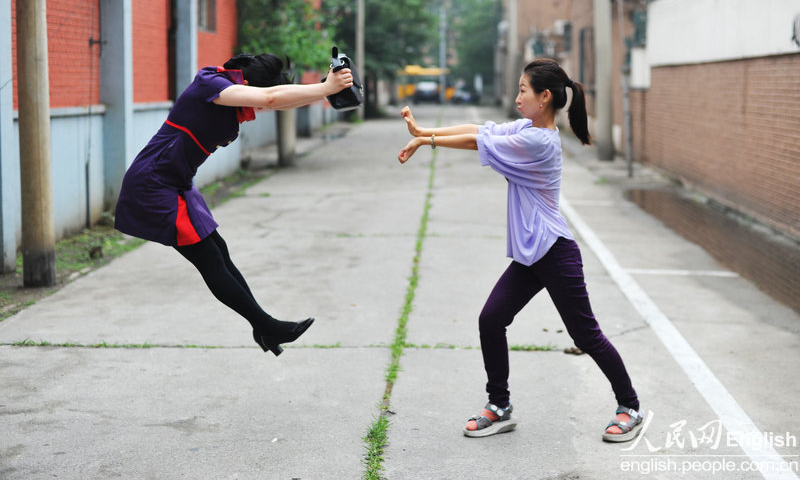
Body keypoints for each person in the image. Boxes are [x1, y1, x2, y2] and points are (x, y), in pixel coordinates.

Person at [397, 58, 642, 442]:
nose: (516, 98)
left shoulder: (538, 142)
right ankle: (500, 406)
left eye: (523, 91)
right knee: (491, 320)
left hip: (555, 252)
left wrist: (425, 141)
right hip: (532, 254)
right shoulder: (528, 126)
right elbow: (480, 129)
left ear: (544, 98)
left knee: (585, 334)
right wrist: (425, 130)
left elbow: (478, 141)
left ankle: (630, 407)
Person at [115, 53, 353, 357]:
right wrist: (324, 89)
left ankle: (261, 326)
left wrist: (325, 87)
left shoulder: (231, 95)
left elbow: (275, 100)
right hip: (154, 183)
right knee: (210, 260)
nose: (257, 107)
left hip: (176, 182)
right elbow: (269, 97)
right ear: (247, 83)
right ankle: (266, 325)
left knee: (220, 251)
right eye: (255, 97)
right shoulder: (210, 83)